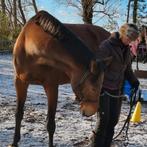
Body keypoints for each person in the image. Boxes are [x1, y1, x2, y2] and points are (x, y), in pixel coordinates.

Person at [89, 23, 140, 147]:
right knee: (103, 121)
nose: (129, 42)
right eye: (128, 39)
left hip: (117, 89)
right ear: (122, 34)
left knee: (113, 121)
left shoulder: (126, 49)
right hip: (103, 89)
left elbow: (127, 68)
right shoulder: (107, 46)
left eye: (132, 40)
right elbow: (95, 67)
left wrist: (134, 81)